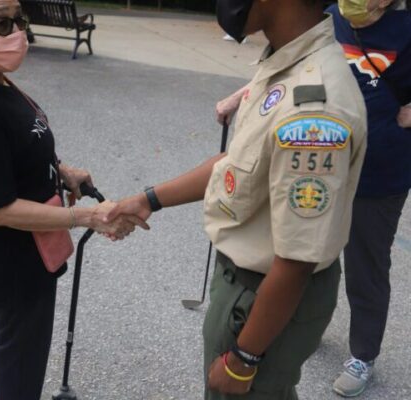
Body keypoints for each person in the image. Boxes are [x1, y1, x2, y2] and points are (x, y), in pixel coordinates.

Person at [106, 0, 368, 398]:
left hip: (262, 302)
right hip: (249, 291)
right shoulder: (286, 62)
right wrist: (149, 200)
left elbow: (297, 259)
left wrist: (244, 359)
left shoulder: (313, 107)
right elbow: (238, 162)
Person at [0, 1, 147, 399]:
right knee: (21, 342)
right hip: (9, 245)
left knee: (8, 318)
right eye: (1, 23)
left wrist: (60, 168)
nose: (16, 31)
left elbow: (13, 144)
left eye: (17, 18)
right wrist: (87, 217)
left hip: (22, 238)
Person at [324, 0, 411, 396]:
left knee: (365, 265)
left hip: (383, 170)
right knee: (310, 253)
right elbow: (290, 65)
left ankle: (363, 354)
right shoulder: (329, 16)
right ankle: (305, 326)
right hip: (322, 162)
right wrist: (243, 96)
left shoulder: (406, 25)